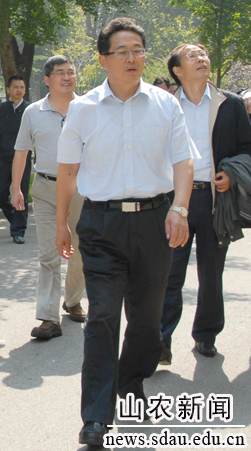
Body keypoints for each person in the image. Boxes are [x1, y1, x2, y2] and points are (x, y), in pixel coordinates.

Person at [54, 18, 196, 446]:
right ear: (103, 60)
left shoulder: (165, 104)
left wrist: (180, 209)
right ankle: (96, 415)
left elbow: (183, 162)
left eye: (138, 49)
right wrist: (62, 223)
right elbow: (68, 171)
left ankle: (131, 383)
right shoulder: (83, 109)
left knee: (148, 322)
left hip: (155, 222)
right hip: (102, 224)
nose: (132, 57)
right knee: (102, 317)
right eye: (122, 51)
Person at [159, 44, 251, 365]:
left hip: (215, 199)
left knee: (211, 273)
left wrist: (231, 174)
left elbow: (247, 148)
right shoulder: (165, 105)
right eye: (192, 56)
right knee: (170, 272)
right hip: (176, 200)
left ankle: (206, 335)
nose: (201, 59)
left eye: (203, 54)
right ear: (177, 70)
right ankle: (162, 339)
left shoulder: (230, 104)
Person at [11, 55, 86, 341]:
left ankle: (73, 299)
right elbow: (21, 151)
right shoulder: (33, 112)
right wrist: (16, 188)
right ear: (47, 80)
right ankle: (48, 317)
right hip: (45, 188)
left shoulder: (88, 108)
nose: (67, 77)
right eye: (60, 73)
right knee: (49, 254)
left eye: (71, 72)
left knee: (79, 250)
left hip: (81, 189)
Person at [0, 75, 30, 243]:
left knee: (21, 194)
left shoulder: (30, 110)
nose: (19, 90)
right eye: (16, 87)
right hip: (3, 158)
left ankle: (18, 231)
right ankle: (15, 219)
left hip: (23, 159)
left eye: (22, 87)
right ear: (8, 89)